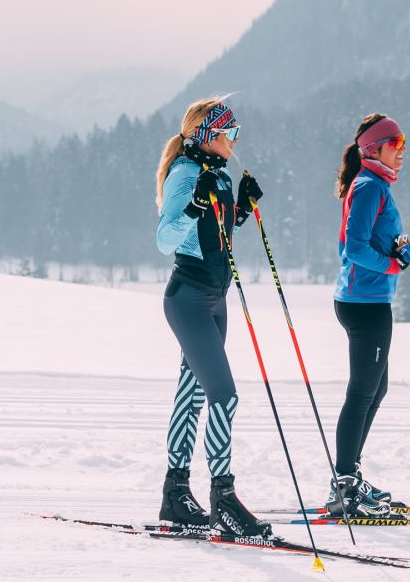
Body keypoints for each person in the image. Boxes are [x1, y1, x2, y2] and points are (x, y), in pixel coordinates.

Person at [152, 97, 269, 538]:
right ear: (208, 136)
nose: (235, 140)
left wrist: (239, 209)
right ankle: (223, 498)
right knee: (224, 395)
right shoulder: (185, 174)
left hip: (214, 300)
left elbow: (214, 234)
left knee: (193, 396)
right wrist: (193, 207)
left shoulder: (215, 175)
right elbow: (166, 239)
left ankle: (175, 494)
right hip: (189, 299)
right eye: (229, 133)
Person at [325, 113, 410, 519]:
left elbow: (371, 242)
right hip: (364, 304)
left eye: (402, 147)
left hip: (365, 300)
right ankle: (345, 486)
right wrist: (393, 265)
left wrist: (400, 248)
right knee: (363, 392)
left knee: (374, 391)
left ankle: (350, 478)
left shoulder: (374, 185)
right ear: (375, 149)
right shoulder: (368, 187)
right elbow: (354, 249)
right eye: (395, 146)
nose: (401, 154)